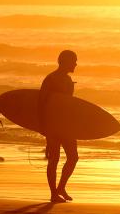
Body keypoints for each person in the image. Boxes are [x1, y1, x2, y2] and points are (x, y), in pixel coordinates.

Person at [38, 50, 78, 203]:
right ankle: (53, 193)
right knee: (54, 159)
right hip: (53, 125)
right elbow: (41, 104)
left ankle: (61, 188)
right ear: (65, 61)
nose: (76, 64)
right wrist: (44, 128)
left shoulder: (68, 80)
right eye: (73, 61)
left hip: (66, 124)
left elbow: (69, 105)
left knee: (73, 157)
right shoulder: (51, 79)